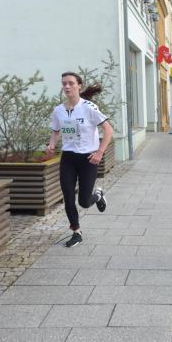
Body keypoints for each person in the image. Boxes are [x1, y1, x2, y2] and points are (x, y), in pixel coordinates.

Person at [46, 72, 113, 248]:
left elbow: (108, 130)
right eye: (64, 84)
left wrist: (99, 152)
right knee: (68, 197)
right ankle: (76, 231)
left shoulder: (89, 107)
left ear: (79, 86)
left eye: (70, 83)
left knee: (84, 201)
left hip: (88, 158)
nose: (67, 86)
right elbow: (55, 131)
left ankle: (97, 195)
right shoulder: (59, 110)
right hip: (68, 158)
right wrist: (51, 144)